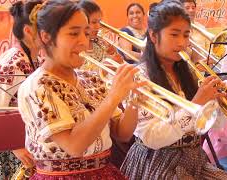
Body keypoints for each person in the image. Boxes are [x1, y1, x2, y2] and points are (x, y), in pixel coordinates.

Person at [17, 0, 144, 178]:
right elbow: (74, 146)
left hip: (104, 171)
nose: (84, 42)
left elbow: (122, 133)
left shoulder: (91, 78)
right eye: (74, 33)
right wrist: (113, 97)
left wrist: (134, 98)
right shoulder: (37, 86)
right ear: (46, 37)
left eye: (86, 33)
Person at [120, 1, 227, 179]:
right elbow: (152, 138)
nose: (182, 43)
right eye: (174, 35)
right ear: (154, 36)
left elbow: (212, 127)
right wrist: (196, 103)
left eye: (186, 35)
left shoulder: (189, 73)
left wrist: (217, 104)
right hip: (158, 162)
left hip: (194, 158)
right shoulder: (140, 77)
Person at [0, 1, 42, 179]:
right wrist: (14, 146)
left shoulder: (34, 58)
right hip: (12, 150)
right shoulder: (12, 62)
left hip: (24, 144)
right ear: (28, 31)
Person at [79, 0, 123, 71]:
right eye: (93, 22)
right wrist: (109, 66)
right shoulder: (76, 50)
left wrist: (113, 53)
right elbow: (84, 77)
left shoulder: (100, 43)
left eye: (99, 22)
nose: (98, 26)